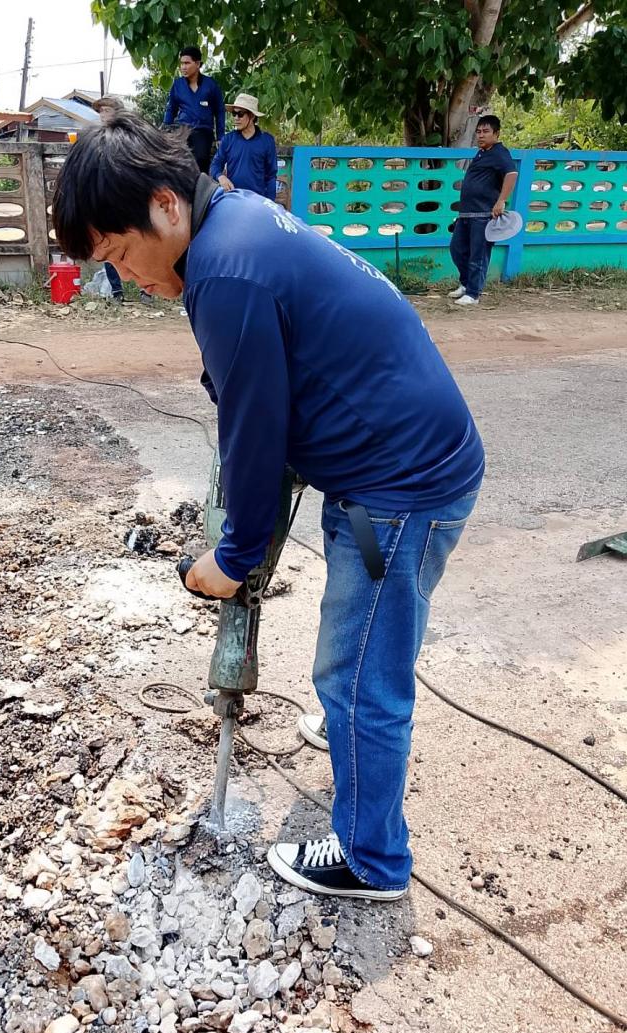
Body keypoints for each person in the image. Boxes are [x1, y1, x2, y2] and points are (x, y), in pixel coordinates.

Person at [53, 114, 484, 901]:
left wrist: (235, 556)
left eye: (118, 255)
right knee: (361, 648)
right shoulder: (231, 225)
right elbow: (255, 398)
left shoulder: (226, 272)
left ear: (164, 206)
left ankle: (372, 860)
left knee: (359, 672)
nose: (129, 277)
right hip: (382, 475)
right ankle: (353, 732)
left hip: (398, 491)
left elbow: (253, 429)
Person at [449, 115, 518, 308]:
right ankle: (465, 284)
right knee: (457, 249)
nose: (481, 135)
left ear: (496, 133)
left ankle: (473, 294)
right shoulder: (481, 153)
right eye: (478, 131)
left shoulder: (499, 152)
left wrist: (501, 201)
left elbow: (511, 174)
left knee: (478, 256)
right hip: (466, 213)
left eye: (486, 131)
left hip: (483, 215)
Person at [91, 97, 153, 305]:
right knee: (108, 245)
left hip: (129, 197)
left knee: (140, 243)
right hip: (106, 198)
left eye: (107, 110)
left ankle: (147, 289)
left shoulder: (131, 137)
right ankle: (117, 291)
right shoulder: (95, 140)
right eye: (101, 111)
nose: (103, 114)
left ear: (118, 112)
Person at [163, 45, 225, 172]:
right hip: (182, 130)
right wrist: (164, 129)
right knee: (177, 163)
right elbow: (171, 109)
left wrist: (220, 136)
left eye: (187, 63)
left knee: (200, 160)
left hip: (203, 131)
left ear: (197, 64)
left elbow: (220, 111)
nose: (183, 67)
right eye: (181, 64)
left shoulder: (211, 85)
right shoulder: (178, 85)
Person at [210, 93, 278, 200]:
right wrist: (221, 176)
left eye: (240, 114)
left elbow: (271, 176)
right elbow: (215, 165)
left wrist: (270, 203)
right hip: (234, 198)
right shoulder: (228, 140)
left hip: (257, 201)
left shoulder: (267, 141)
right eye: (234, 114)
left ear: (252, 116)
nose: (236, 118)